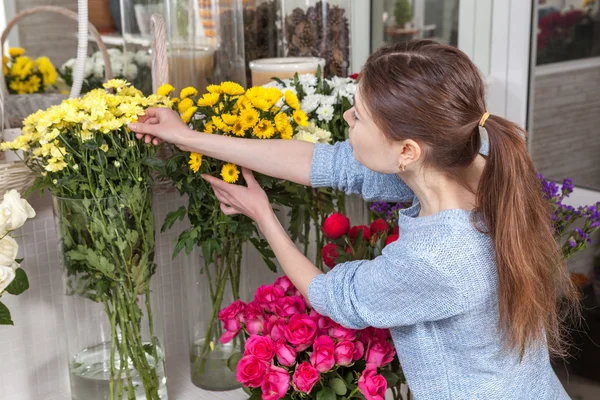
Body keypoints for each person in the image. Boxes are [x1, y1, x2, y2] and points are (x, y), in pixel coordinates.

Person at [129, 40, 577, 399]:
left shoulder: (441, 255)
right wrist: (187, 137)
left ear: (407, 151)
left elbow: (331, 295)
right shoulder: (475, 161)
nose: (347, 118)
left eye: (358, 117)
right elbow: (320, 163)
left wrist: (261, 213)